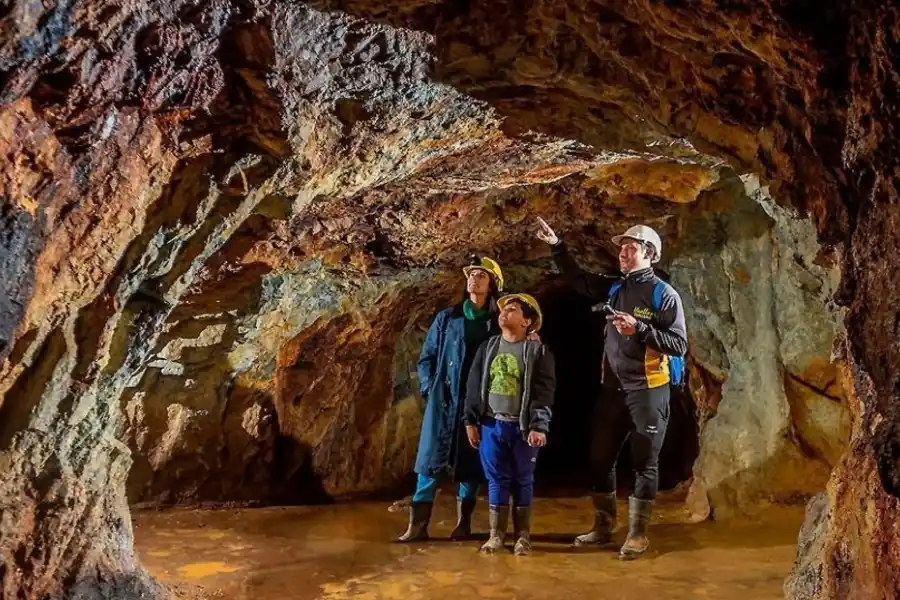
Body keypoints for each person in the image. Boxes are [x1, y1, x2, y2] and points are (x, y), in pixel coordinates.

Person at [535, 218, 687, 560]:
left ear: (649, 253)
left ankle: (637, 534)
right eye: (621, 247)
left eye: (630, 247)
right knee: (600, 459)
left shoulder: (664, 294)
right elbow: (579, 281)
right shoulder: (616, 289)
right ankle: (603, 527)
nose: (622, 252)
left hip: (649, 389)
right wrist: (557, 244)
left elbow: (678, 343)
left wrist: (641, 329)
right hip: (612, 389)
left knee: (644, 462)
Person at [396, 257, 504, 542]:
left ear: (492, 284)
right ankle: (417, 527)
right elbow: (426, 358)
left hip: (478, 404)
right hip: (443, 400)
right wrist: (431, 389)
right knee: (429, 462)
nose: (474, 278)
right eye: (472, 274)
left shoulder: (498, 322)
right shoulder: (448, 318)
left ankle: (463, 524)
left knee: (470, 463)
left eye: (482, 275)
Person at [463, 293, 556, 556]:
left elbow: (544, 390)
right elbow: (473, 386)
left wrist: (539, 425)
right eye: (504, 309)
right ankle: (496, 535)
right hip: (492, 424)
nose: (504, 313)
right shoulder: (489, 347)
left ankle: (522, 536)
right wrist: (470, 420)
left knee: (523, 479)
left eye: (513, 310)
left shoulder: (538, 352)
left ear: (528, 322)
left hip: (522, 426)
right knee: (496, 479)